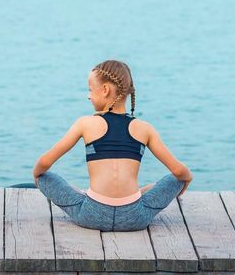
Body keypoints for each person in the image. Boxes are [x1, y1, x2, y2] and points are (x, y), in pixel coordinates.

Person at [32, 60, 193, 231]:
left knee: (44, 177)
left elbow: (44, 163)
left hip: (92, 215)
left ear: (105, 90)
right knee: (175, 179)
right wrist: (187, 179)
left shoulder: (85, 124)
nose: (88, 95)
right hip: (134, 217)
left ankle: (92, 194)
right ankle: (139, 192)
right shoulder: (145, 128)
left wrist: (36, 176)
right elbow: (178, 172)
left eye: (90, 90)